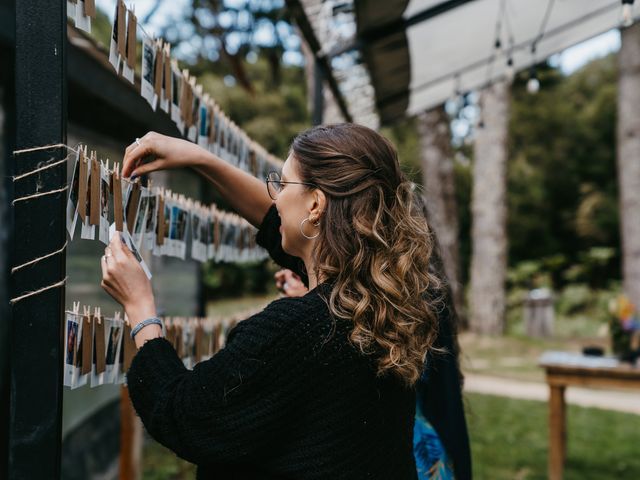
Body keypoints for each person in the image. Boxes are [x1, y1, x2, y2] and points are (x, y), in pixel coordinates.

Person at [100, 123, 461, 479]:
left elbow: (185, 417)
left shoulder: (296, 330)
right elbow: (279, 225)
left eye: (282, 183)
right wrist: (199, 158)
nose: (275, 196)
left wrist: (141, 309)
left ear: (316, 204)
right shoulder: (387, 302)